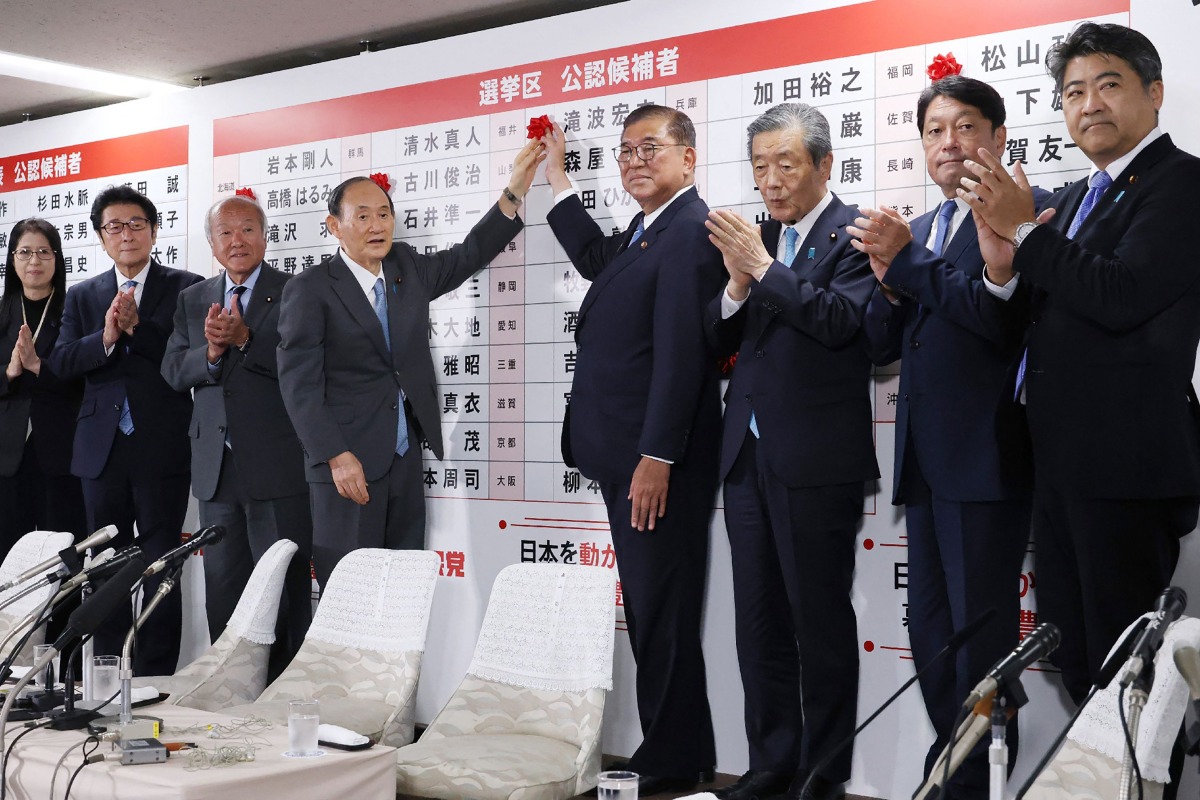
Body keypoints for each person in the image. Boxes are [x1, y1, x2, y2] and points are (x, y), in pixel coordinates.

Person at [960, 22, 1200, 710]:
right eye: (1072, 91)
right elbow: (1039, 320)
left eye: (1108, 84)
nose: (1088, 103)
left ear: (1153, 94)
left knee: (1126, 671)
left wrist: (1028, 231)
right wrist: (1004, 266)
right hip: (1059, 462)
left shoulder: (1181, 182)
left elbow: (1122, 296)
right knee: (1077, 658)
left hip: (1125, 463)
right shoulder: (1075, 202)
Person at [852, 76, 1042, 800]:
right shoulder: (925, 231)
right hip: (925, 469)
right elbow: (880, 347)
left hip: (987, 463)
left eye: (965, 127)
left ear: (997, 138)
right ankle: (952, 777)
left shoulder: (1026, 212)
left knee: (984, 654)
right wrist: (887, 282)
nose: (949, 142)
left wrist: (908, 265)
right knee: (933, 644)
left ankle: (974, 790)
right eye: (934, 131)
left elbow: (999, 321)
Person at [539, 105, 723, 796]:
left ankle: (673, 762)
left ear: (688, 158)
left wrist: (658, 456)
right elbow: (596, 261)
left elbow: (683, 356)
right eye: (626, 151)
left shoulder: (690, 235)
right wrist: (558, 179)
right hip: (628, 459)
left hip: (656, 466)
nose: (636, 160)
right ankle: (677, 750)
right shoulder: (651, 232)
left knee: (663, 609)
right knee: (653, 607)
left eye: (652, 147)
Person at [704, 102, 876, 800]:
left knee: (820, 625)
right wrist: (738, 284)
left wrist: (762, 267)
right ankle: (770, 762)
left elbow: (842, 323)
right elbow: (719, 345)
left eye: (785, 164)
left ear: (824, 165)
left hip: (816, 462)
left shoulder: (856, 234)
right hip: (746, 459)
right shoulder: (761, 238)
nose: (770, 181)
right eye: (759, 167)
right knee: (760, 625)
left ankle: (821, 774)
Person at [277, 141, 544, 587]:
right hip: (347, 465)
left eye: (384, 214)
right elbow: (298, 385)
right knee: (352, 594)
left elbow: (468, 256)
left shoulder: (405, 267)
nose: (377, 225)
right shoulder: (311, 289)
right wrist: (336, 457)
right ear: (334, 226)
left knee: (401, 591)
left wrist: (513, 192)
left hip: (402, 458)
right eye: (362, 216)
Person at [50, 186, 202, 675]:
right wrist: (108, 337)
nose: (127, 234)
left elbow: (188, 360)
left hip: (161, 447)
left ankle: (156, 673)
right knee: (106, 568)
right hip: (101, 451)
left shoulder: (188, 288)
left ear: (155, 231)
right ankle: (108, 669)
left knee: (163, 564)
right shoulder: (82, 294)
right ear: (100, 237)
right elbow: (62, 362)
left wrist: (139, 330)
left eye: (136, 224)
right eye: (114, 226)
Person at [162, 195, 312, 675]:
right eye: (225, 233)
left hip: (277, 466)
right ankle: (226, 688)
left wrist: (245, 339)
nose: (237, 241)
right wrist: (210, 351)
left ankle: (284, 693)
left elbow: (301, 364)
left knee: (283, 586)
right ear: (212, 243)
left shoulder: (296, 291)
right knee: (224, 587)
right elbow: (172, 370)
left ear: (266, 237)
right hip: (216, 469)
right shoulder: (192, 298)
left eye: (247, 230)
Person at [0, 219, 86, 558]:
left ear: (57, 258)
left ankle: (64, 615)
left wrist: (39, 367)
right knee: (6, 559)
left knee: (63, 558)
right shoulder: (2, 312)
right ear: (12, 259)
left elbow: (88, 376)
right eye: (24, 252)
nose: (33, 261)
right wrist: (8, 373)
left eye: (43, 252)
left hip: (63, 453)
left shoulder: (75, 311)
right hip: (7, 456)